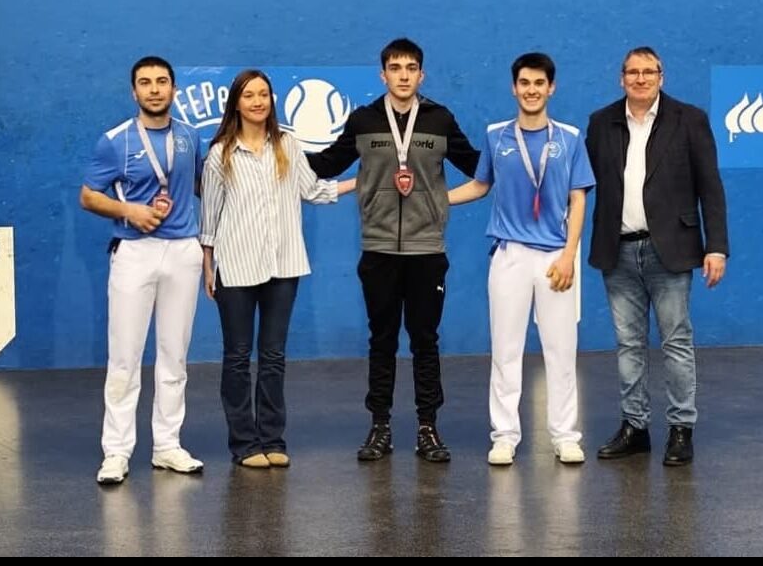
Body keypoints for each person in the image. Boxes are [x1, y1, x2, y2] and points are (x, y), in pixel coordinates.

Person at [308, 38, 480, 463]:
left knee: (425, 340)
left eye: (411, 68)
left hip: (427, 250)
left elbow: (478, 166)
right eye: (395, 68)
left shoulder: (439, 119)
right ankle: (379, 426)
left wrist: (443, 200)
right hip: (379, 248)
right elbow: (328, 164)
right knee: (382, 340)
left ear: (422, 75)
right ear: (382, 74)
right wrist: (276, 151)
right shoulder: (364, 120)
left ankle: (428, 428)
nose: (403, 75)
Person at [200, 69, 356, 469]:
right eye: (249, 95)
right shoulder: (221, 154)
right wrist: (208, 264)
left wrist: (357, 182)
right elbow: (209, 216)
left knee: (273, 356)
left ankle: (272, 438)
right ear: (236, 102)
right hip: (235, 267)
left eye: (264, 94)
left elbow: (312, 190)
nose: (257, 101)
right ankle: (245, 444)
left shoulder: (288, 144)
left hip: (284, 265)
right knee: (237, 356)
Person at [584, 46, 728, 467]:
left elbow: (710, 187)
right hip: (618, 250)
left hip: (673, 250)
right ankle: (635, 427)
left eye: (649, 72)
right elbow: (581, 183)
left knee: (676, 343)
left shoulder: (690, 119)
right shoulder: (600, 123)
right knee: (628, 345)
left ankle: (681, 429)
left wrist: (715, 246)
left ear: (662, 77)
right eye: (633, 72)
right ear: (621, 78)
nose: (641, 79)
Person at [449, 53, 594, 466]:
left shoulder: (569, 137)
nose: (531, 90)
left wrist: (569, 254)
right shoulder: (496, 136)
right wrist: (435, 201)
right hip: (509, 257)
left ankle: (565, 435)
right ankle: (505, 436)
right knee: (505, 351)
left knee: (561, 350)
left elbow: (578, 198)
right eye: (524, 83)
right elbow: (479, 186)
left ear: (552, 88)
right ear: (514, 88)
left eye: (539, 83)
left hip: (555, 258)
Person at [80, 55, 205, 485]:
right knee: (125, 359)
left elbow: (200, 186)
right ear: (134, 92)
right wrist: (129, 210)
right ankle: (116, 452)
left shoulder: (190, 136)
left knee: (175, 356)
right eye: (146, 83)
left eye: (162, 82)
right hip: (134, 253)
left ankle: (167, 446)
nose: (154, 89)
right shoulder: (114, 141)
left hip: (183, 252)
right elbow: (88, 196)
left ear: (174, 89)